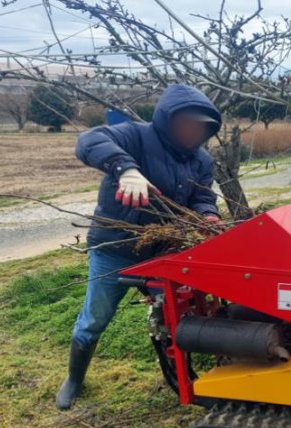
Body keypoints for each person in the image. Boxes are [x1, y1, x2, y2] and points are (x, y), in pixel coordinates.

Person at [56, 84, 223, 410]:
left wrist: (209, 216)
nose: (193, 132)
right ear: (168, 119)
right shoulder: (135, 136)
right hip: (115, 248)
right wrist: (126, 169)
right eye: (187, 123)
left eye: (201, 127)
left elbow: (203, 196)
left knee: (173, 316)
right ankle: (74, 379)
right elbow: (88, 141)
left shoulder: (200, 159)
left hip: (164, 252)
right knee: (96, 318)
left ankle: (180, 377)